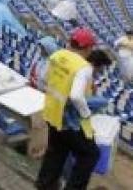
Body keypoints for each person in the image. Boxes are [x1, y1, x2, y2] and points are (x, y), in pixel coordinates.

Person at [36, 28, 102, 190]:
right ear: (87, 48)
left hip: (52, 112)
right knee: (90, 154)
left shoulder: (57, 55)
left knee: (57, 150)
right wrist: (86, 113)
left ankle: (45, 184)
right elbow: (77, 96)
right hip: (70, 119)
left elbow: (43, 80)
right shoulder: (83, 67)